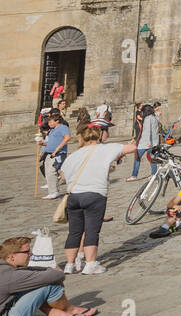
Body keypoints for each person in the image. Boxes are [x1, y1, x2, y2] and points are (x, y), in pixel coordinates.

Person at [60, 124, 137, 273]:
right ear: (99, 136)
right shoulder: (106, 148)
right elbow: (131, 148)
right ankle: (90, 264)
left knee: (74, 232)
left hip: (73, 196)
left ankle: (69, 265)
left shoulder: (74, 155)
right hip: (94, 194)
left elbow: (63, 176)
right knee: (91, 231)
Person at [0, 237, 97, 316]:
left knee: (34, 283)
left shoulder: (4, 270)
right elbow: (55, 276)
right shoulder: (11, 276)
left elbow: (27, 271)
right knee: (48, 285)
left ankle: (54, 314)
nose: (30, 254)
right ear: (12, 257)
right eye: (26, 252)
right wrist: (57, 273)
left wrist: (48, 271)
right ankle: (70, 310)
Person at [38, 111, 71, 199]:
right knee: (48, 172)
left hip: (57, 153)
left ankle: (54, 191)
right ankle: (54, 190)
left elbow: (67, 137)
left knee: (52, 172)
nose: (49, 124)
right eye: (48, 122)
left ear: (57, 121)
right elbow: (50, 142)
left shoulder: (62, 127)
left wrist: (57, 149)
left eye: (51, 122)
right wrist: (43, 143)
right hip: (49, 153)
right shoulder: (52, 130)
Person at [127, 102, 160, 179]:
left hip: (145, 142)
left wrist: (148, 143)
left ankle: (134, 175)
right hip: (154, 142)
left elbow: (148, 131)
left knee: (137, 158)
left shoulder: (148, 119)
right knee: (152, 159)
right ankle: (154, 174)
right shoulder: (155, 117)